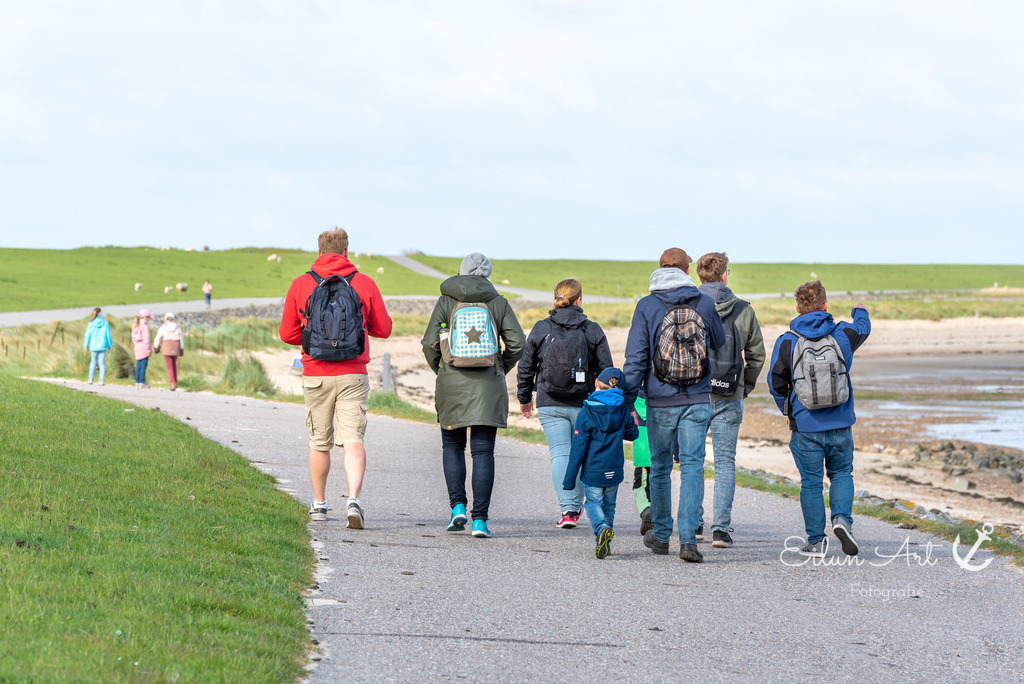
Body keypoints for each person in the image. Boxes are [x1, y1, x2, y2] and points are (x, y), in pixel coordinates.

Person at [279, 228, 393, 528]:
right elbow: (384, 329)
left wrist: (314, 336)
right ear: (346, 252)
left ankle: (319, 504)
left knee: (319, 441)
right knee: (353, 438)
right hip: (354, 372)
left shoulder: (301, 283)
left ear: (319, 252)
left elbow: (286, 334)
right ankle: (353, 499)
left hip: (316, 373)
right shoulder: (364, 282)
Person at [623, 247, 724, 563]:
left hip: (659, 400)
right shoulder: (704, 303)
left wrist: (627, 399)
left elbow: (635, 358)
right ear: (686, 271)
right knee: (693, 464)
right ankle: (689, 540)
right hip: (697, 398)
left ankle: (663, 536)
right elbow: (718, 343)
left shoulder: (647, 305)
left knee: (660, 466)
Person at [421, 253, 525, 539]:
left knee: (452, 446)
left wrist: (443, 370)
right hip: (489, 386)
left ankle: (457, 508)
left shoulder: (445, 302)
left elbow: (429, 343)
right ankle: (479, 520)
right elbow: (518, 343)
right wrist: (500, 366)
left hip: (451, 385)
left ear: (461, 272)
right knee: (483, 452)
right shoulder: (499, 302)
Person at [769, 281, 870, 558]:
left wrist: (788, 411)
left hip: (805, 426)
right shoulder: (842, 335)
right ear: (825, 306)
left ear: (797, 308)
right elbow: (863, 328)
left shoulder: (787, 341)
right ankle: (842, 520)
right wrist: (860, 310)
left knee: (811, 483)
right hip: (840, 423)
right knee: (841, 473)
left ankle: (816, 541)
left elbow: (775, 383)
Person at [517, 278, 613, 529]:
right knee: (581, 454)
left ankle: (568, 510)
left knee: (560, 454)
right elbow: (607, 371)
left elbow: (526, 367)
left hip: (549, 401)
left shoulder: (541, 327)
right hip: (584, 404)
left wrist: (525, 398)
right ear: (579, 299)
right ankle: (581, 503)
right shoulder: (592, 329)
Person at [694, 252, 766, 548]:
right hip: (729, 392)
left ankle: (694, 522)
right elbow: (757, 355)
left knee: (693, 461)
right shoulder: (743, 309)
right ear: (725, 275)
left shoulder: (689, 305)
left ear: (700, 276)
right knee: (724, 462)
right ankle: (720, 530)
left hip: (694, 394)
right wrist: (743, 388)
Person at [562, 367, 639, 559]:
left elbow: (578, 448)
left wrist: (569, 480)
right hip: (614, 469)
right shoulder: (621, 409)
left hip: (593, 470)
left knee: (592, 503)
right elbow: (633, 434)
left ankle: (601, 528)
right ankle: (605, 543)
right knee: (609, 506)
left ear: (596, 383)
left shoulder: (587, 410)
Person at [153, 312, 185, 391]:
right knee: (174, 364)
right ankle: (175, 381)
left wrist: (156, 347)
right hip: (175, 347)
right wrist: (181, 349)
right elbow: (181, 339)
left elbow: (157, 338)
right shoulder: (177, 327)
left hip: (167, 348)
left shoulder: (163, 328)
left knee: (169, 366)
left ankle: (172, 382)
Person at [83, 307, 112, 385]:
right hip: (103, 345)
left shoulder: (91, 323)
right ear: (101, 314)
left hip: (94, 346)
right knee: (101, 363)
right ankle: (101, 380)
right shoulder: (105, 323)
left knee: (93, 362)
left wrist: (86, 345)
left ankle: (90, 379)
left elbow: (87, 335)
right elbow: (108, 335)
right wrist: (110, 344)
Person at [131, 309, 153, 389]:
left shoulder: (135, 325)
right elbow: (146, 339)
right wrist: (148, 350)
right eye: (148, 317)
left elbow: (133, 338)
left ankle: (137, 382)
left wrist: (136, 345)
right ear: (145, 317)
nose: (149, 319)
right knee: (143, 366)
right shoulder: (144, 327)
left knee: (138, 366)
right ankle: (142, 382)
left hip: (137, 348)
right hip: (143, 349)